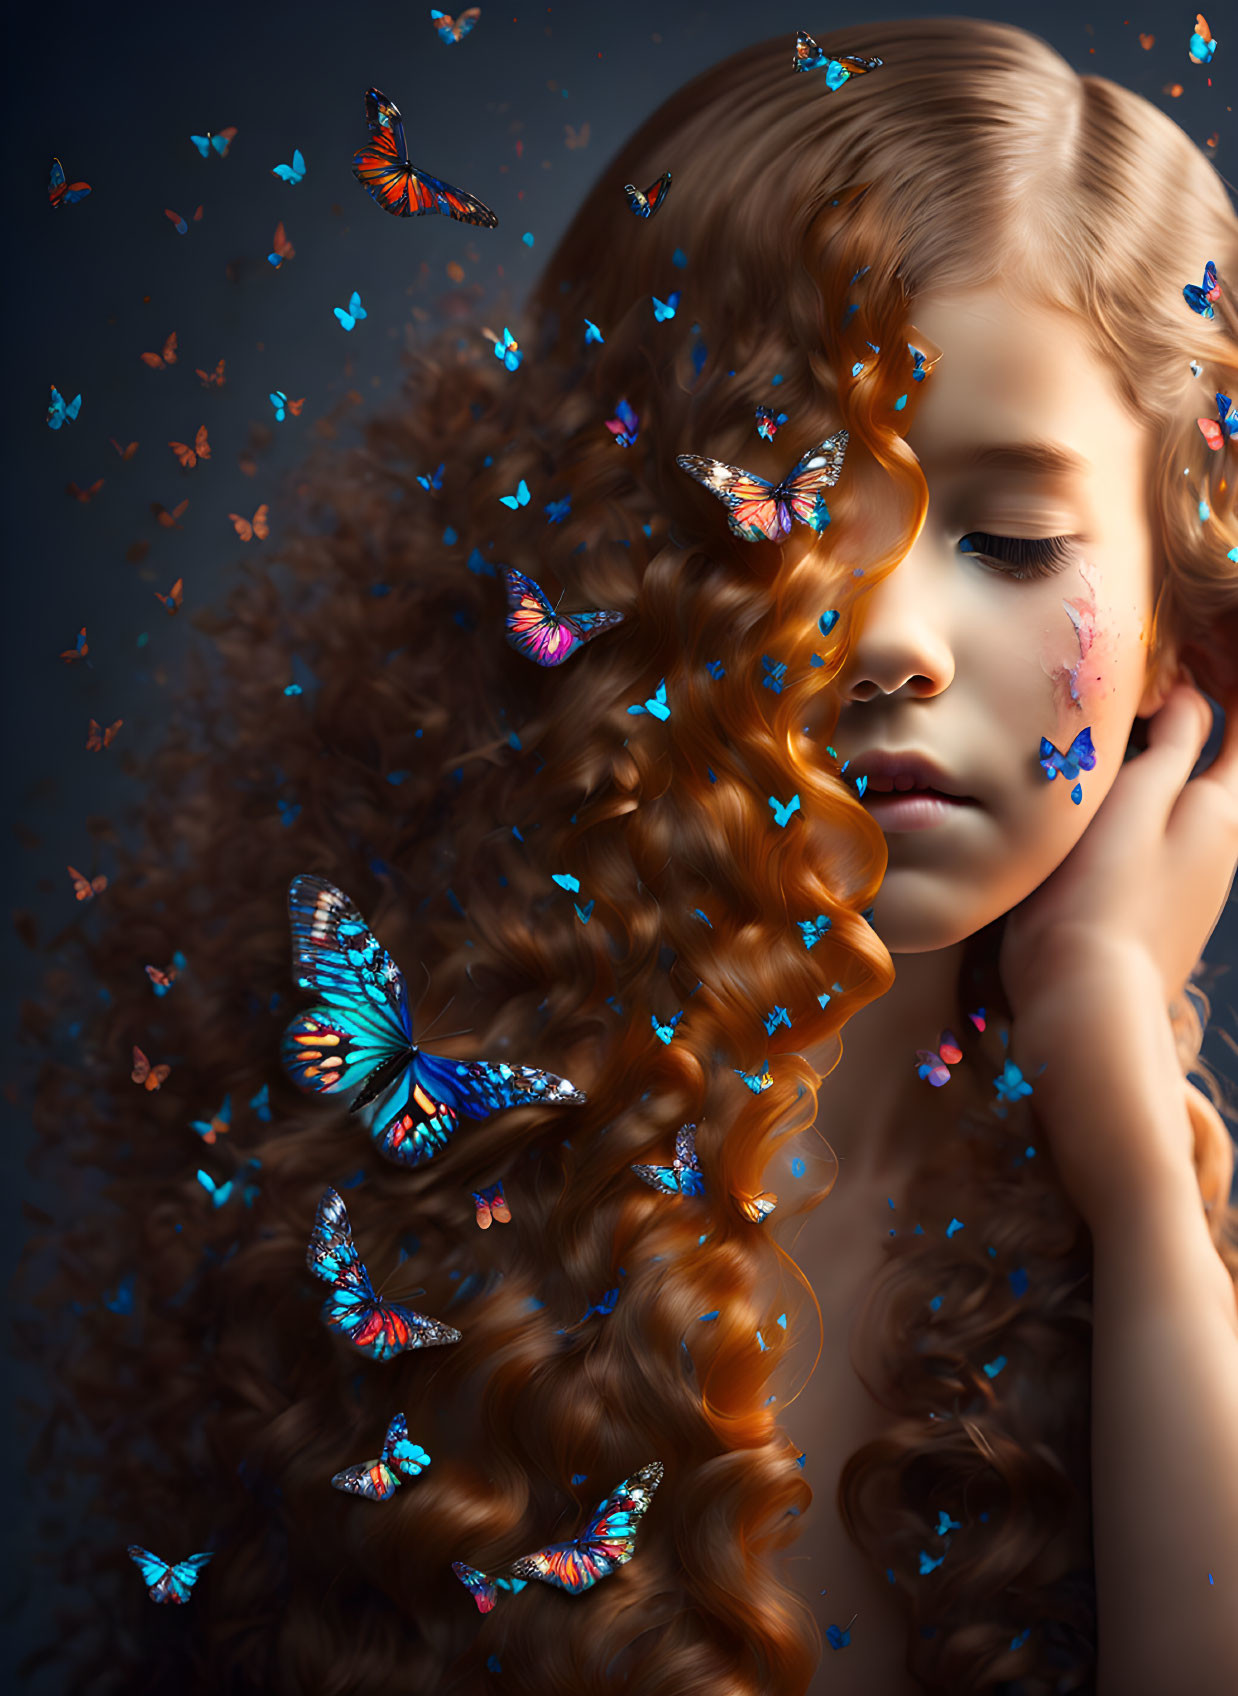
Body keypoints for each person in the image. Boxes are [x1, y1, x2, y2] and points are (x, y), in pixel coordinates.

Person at [18, 17, 1238, 1696]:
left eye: (1013, 541)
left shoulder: (1155, 1232)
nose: (886, 638)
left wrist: (1120, 1116)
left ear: (1184, 616)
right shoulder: (415, 1217)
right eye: (776, 514)